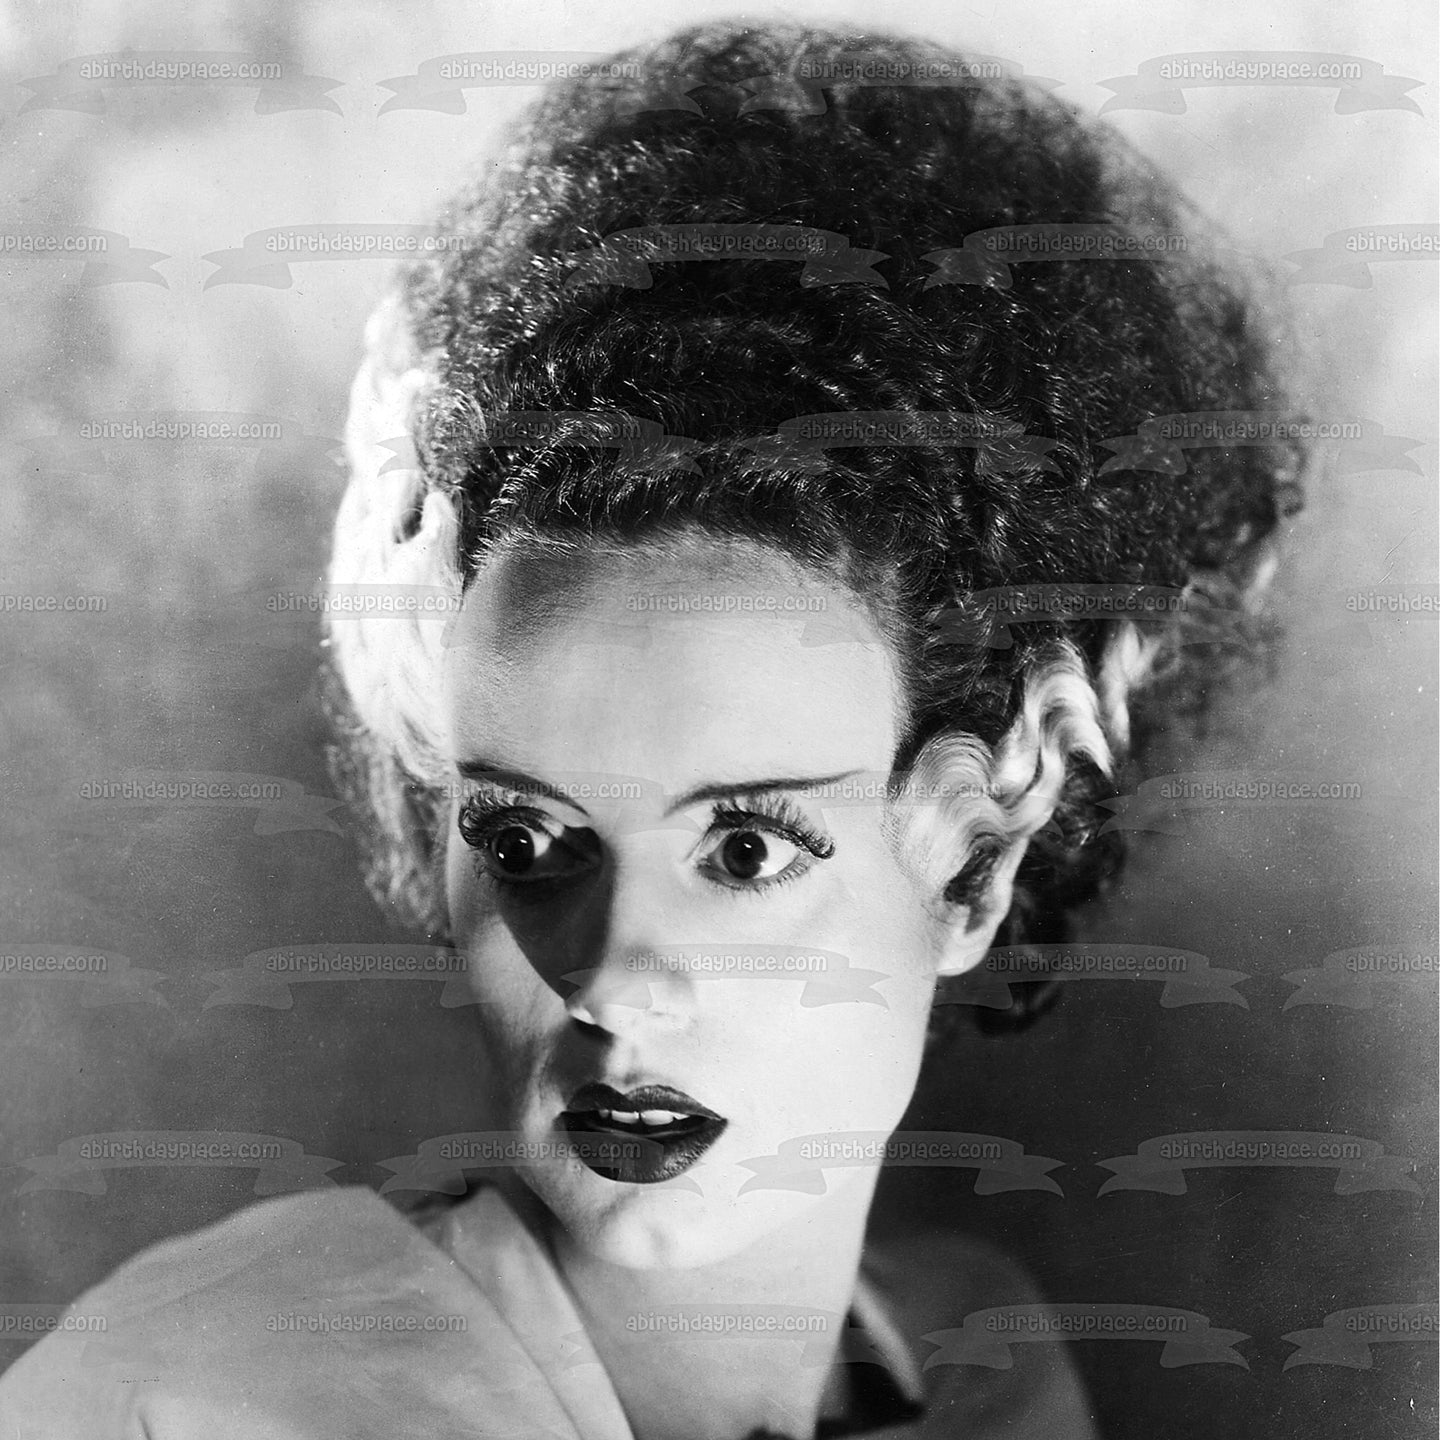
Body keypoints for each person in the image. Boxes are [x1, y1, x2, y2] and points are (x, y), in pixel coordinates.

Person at [0, 19, 1305, 1439]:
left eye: (746, 850)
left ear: (977, 864)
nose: (612, 983)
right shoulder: (204, 1397)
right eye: (525, 840)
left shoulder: (989, 1381)